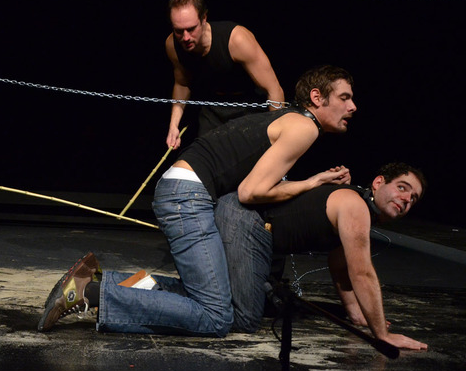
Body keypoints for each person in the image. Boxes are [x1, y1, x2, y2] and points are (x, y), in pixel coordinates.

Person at [38, 65, 356, 335]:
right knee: (217, 317)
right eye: (344, 97)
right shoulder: (305, 127)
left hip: (182, 190)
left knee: (207, 295)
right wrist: (311, 183)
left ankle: (103, 280)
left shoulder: (288, 119)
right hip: (187, 196)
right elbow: (251, 191)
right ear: (317, 97)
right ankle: (90, 293)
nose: (353, 107)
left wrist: (312, 182)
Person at [214, 163, 428, 350]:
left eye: (413, 198)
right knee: (245, 319)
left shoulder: (358, 206)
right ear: (378, 182)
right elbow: (362, 273)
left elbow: (340, 266)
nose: (406, 199)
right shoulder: (355, 206)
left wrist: (355, 313)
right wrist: (383, 335)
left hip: (255, 231)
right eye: (402, 188)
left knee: (269, 306)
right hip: (244, 218)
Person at [165, 0, 285, 148]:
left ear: (204, 18)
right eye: (179, 31)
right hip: (212, 108)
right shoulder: (172, 45)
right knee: (203, 155)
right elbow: (182, 84)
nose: (185, 37)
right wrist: (173, 126)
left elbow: (273, 89)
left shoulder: (236, 40)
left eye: (191, 29)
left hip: (249, 107)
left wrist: (276, 138)